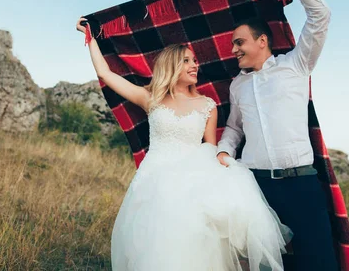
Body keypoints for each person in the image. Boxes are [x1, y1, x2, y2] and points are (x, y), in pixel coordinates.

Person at [76, 19, 292, 271]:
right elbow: (105, 74)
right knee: (157, 250)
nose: (194, 65)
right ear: (172, 66)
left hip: (191, 186)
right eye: (187, 61)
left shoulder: (207, 105)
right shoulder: (151, 99)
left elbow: (210, 148)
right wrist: (90, 38)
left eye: (195, 60)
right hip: (153, 184)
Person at [217, 0, 338, 270]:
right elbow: (233, 128)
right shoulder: (237, 85)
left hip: (302, 185)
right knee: (266, 266)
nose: (233, 50)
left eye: (239, 42)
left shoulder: (296, 65)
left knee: (319, 263)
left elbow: (321, 15)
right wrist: (224, 151)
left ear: (261, 41)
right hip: (257, 189)